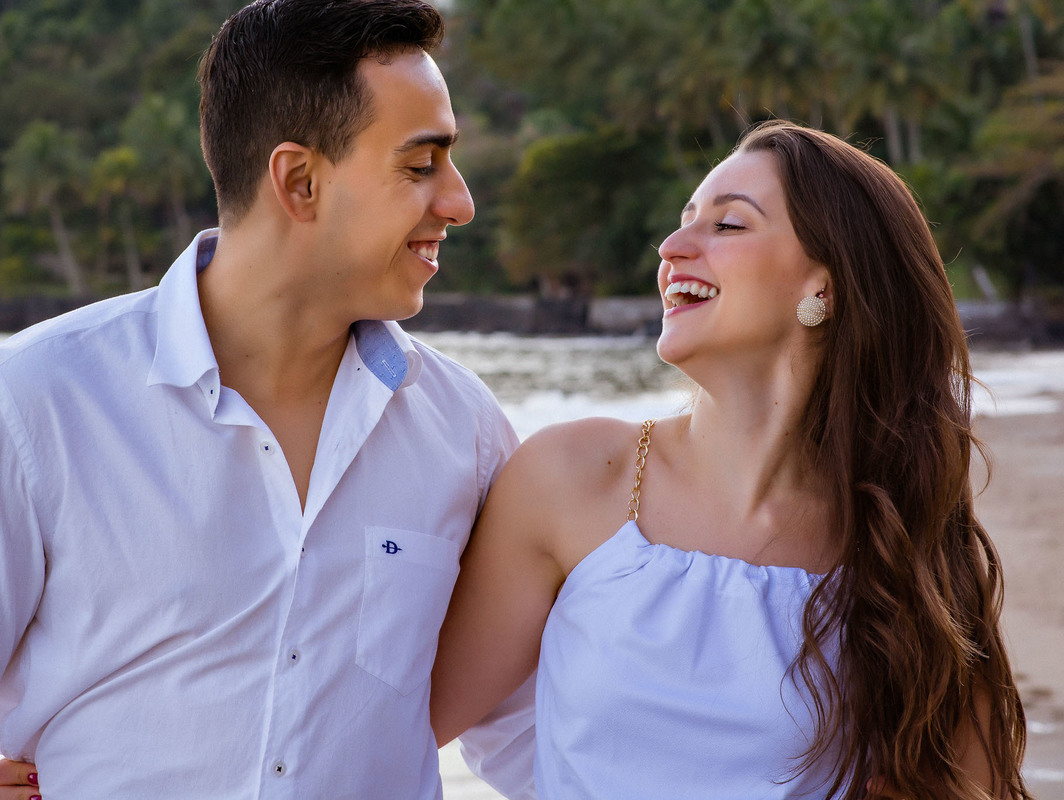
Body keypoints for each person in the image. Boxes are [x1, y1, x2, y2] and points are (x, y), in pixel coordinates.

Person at [0, 1, 535, 798]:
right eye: (421, 165)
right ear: (299, 181)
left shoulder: (466, 434)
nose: (459, 202)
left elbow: (532, 732)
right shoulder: (32, 405)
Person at [430, 121, 1031, 798]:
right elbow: (402, 724)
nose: (673, 247)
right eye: (685, 221)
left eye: (729, 225)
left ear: (825, 286)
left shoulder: (897, 543)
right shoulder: (573, 476)